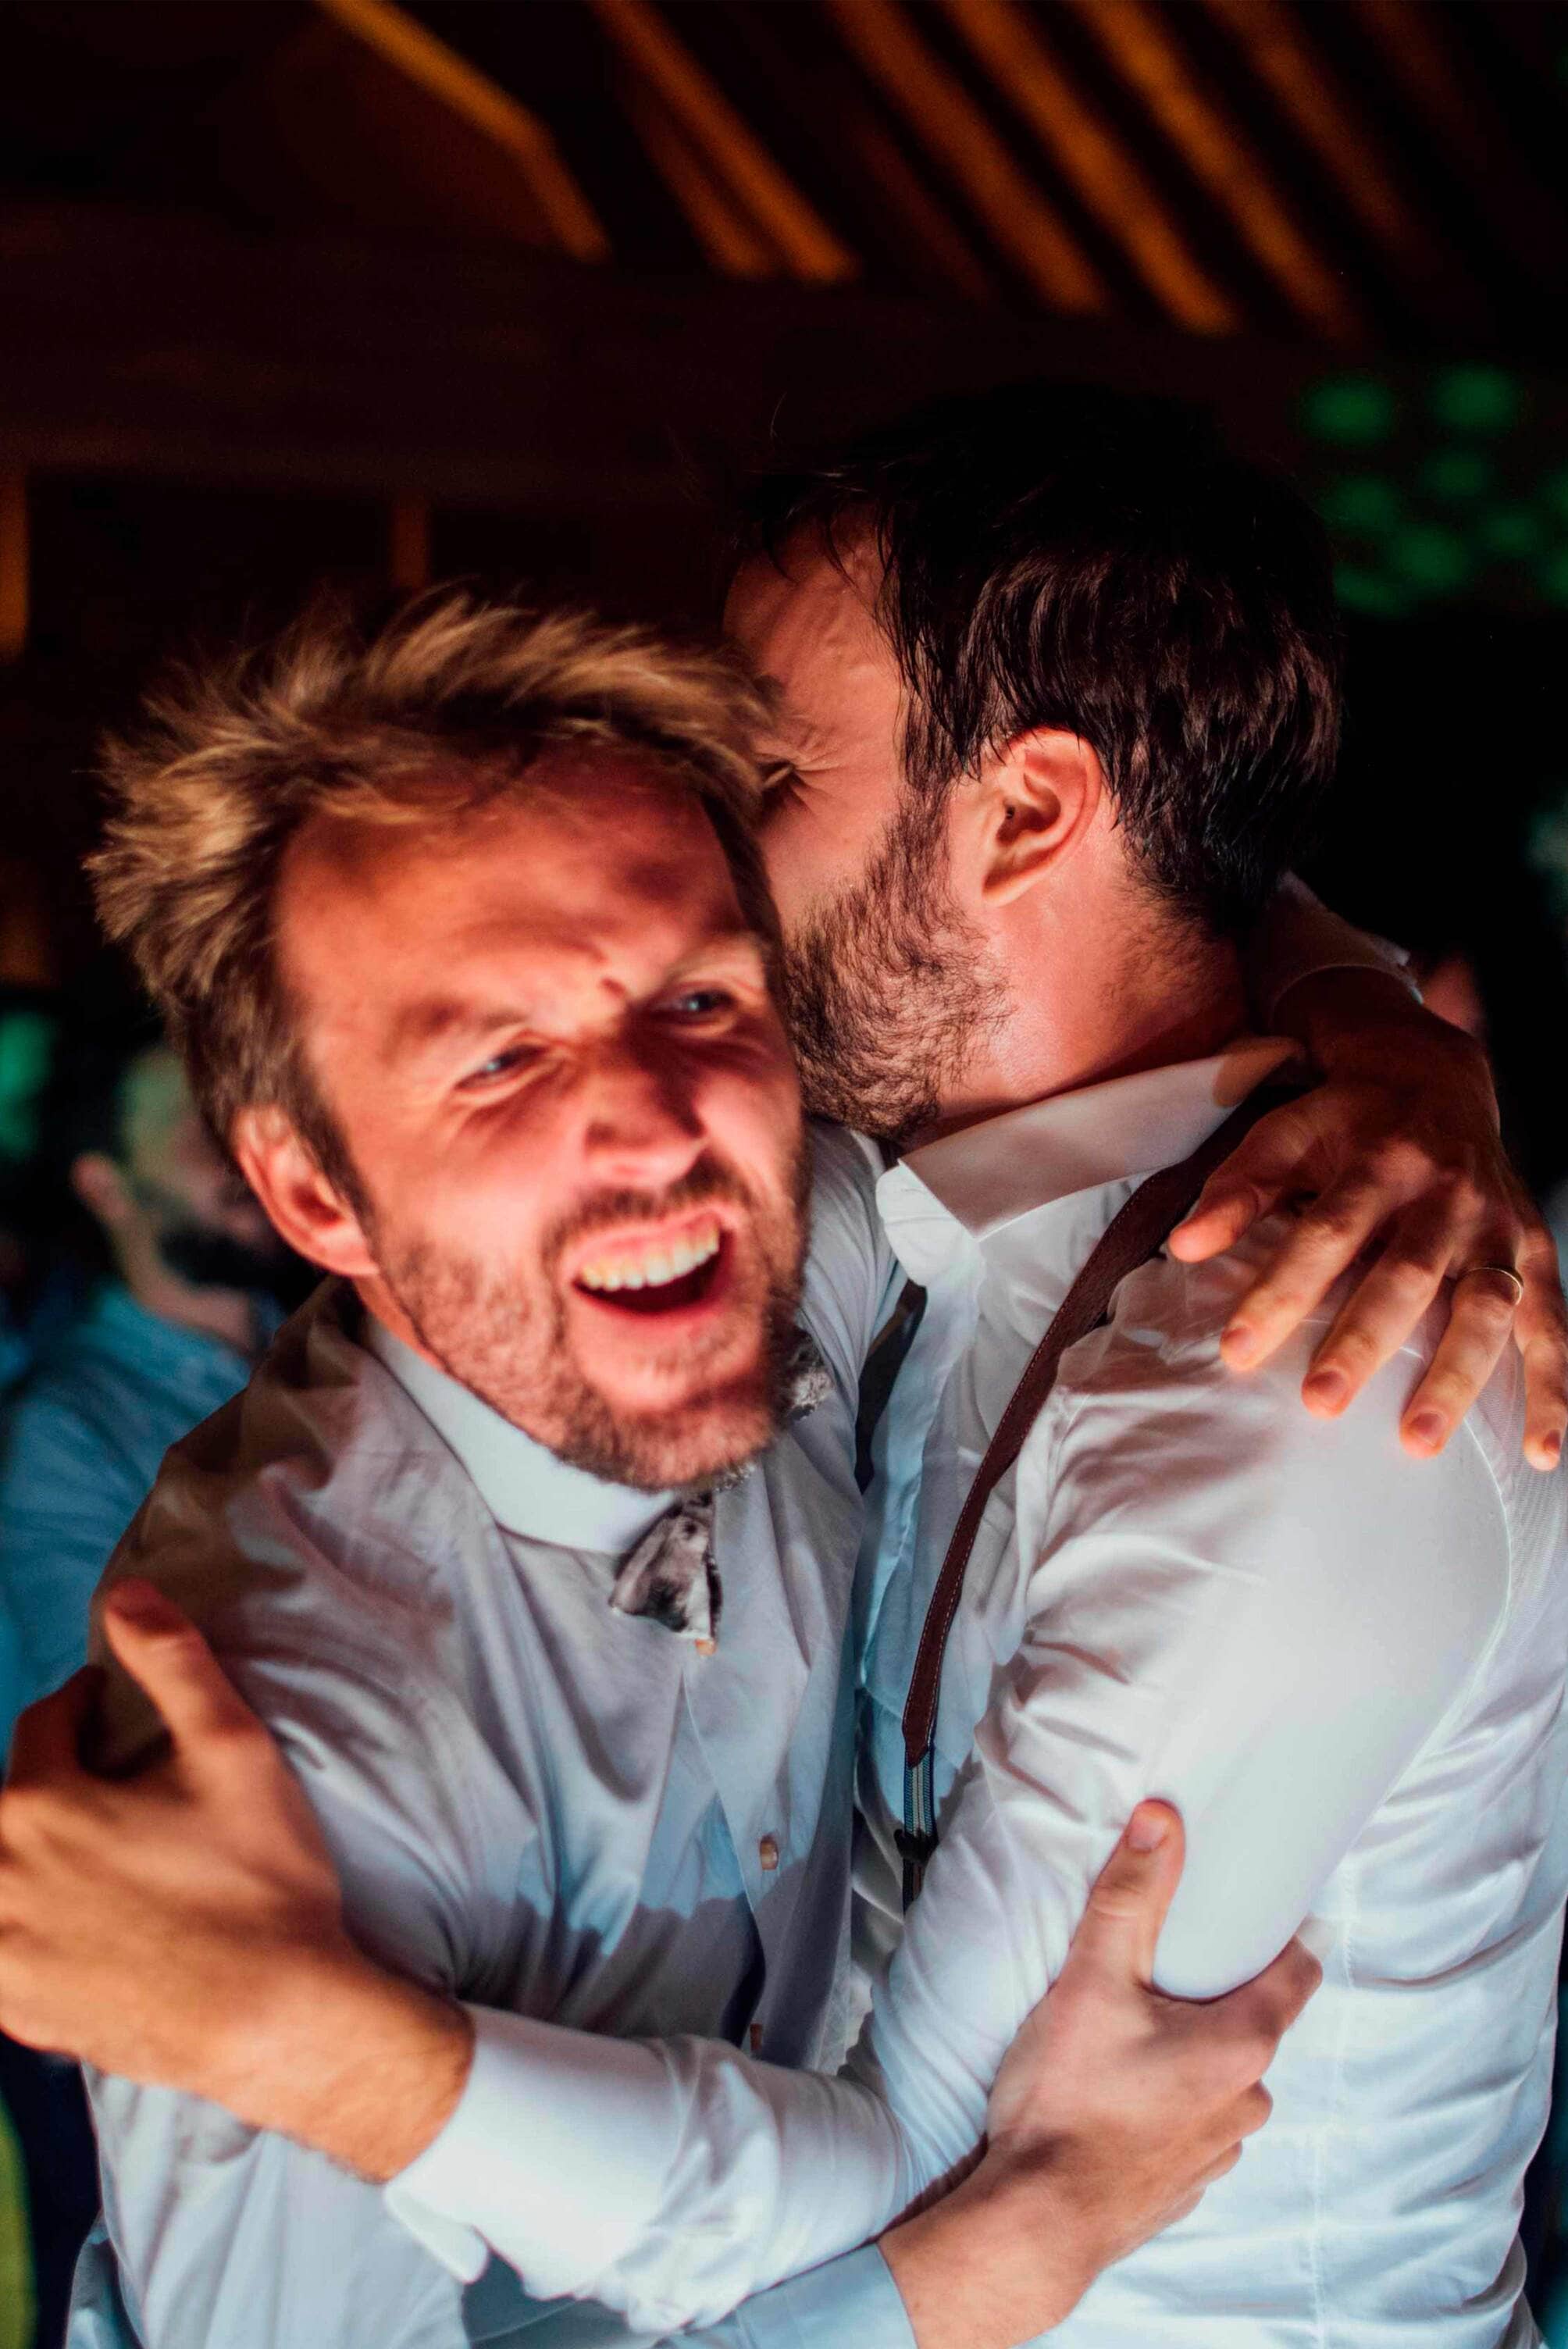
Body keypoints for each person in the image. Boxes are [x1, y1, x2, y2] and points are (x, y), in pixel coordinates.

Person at [1, 388, 1563, 2345]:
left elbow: (949, 2170)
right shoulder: (327, 1710)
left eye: (759, 781)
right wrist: (1378, 1022)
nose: (713, 861)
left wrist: (337, 2054)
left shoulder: (1291, 1377)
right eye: (499, 1057)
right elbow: (968, 2216)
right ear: (307, 1190)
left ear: (1025, 818)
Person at [0, 1028, 293, 1757]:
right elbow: (112, 1725)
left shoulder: (330, 1339)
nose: (252, 1152)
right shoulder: (61, 1433)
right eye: (205, 1129)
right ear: (106, 1187)